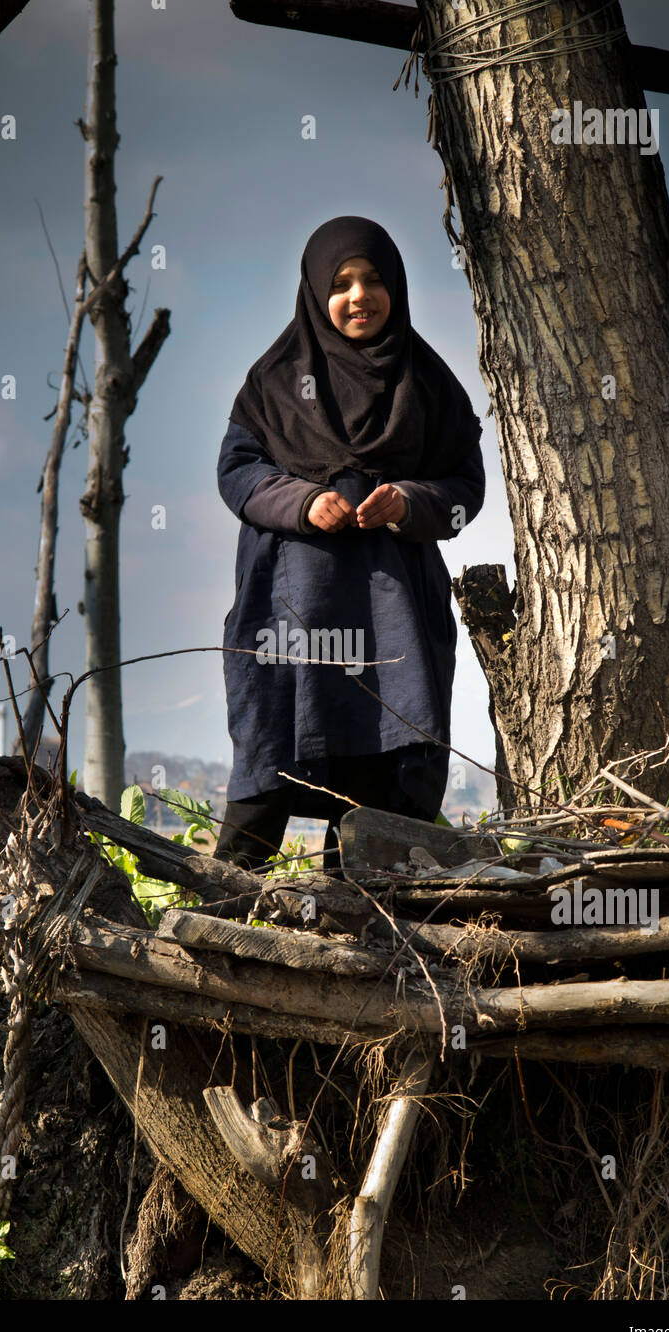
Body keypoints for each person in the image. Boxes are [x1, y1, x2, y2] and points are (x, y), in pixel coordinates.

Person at [214, 215, 485, 874]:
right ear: (314, 293)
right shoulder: (274, 380)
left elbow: (464, 486)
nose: (358, 296)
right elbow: (236, 473)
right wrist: (302, 501)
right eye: (339, 283)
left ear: (395, 286)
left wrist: (410, 501)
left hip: (394, 611)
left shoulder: (426, 381)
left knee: (390, 756)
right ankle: (219, 910)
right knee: (273, 749)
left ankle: (359, 928)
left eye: (373, 280)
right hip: (291, 608)